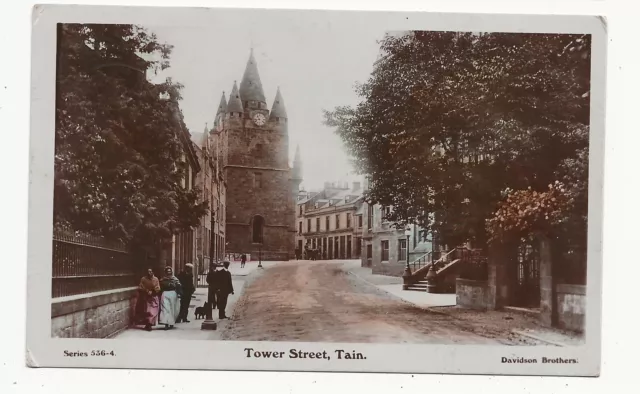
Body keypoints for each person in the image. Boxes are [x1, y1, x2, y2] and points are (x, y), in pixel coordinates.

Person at [159, 266, 182, 330]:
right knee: (165, 308)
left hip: (172, 294)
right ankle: (166, 323)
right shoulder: (162, 279)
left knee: (172, 309)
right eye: (167, 271)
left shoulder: (175, 279)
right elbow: (160, 287)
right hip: (165, 293)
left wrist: (179, 293)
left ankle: (171, 323)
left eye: (170, 271)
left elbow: (179, 286)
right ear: (165, 272)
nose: (169, 273)